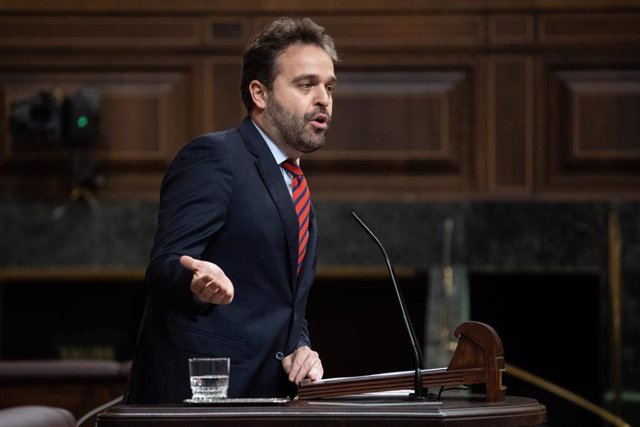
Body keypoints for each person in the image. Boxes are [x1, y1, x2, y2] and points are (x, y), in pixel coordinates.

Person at [123, 17, 338, 403]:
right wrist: (196, 284)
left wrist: (301, 348)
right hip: (198, 402)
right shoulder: (215, 157)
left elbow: (282, 300)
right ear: (260, 93)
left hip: (268, 399)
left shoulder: (295, 182)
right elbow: (164, 268)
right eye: (306, 85)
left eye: (328, 86)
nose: (323, 98)